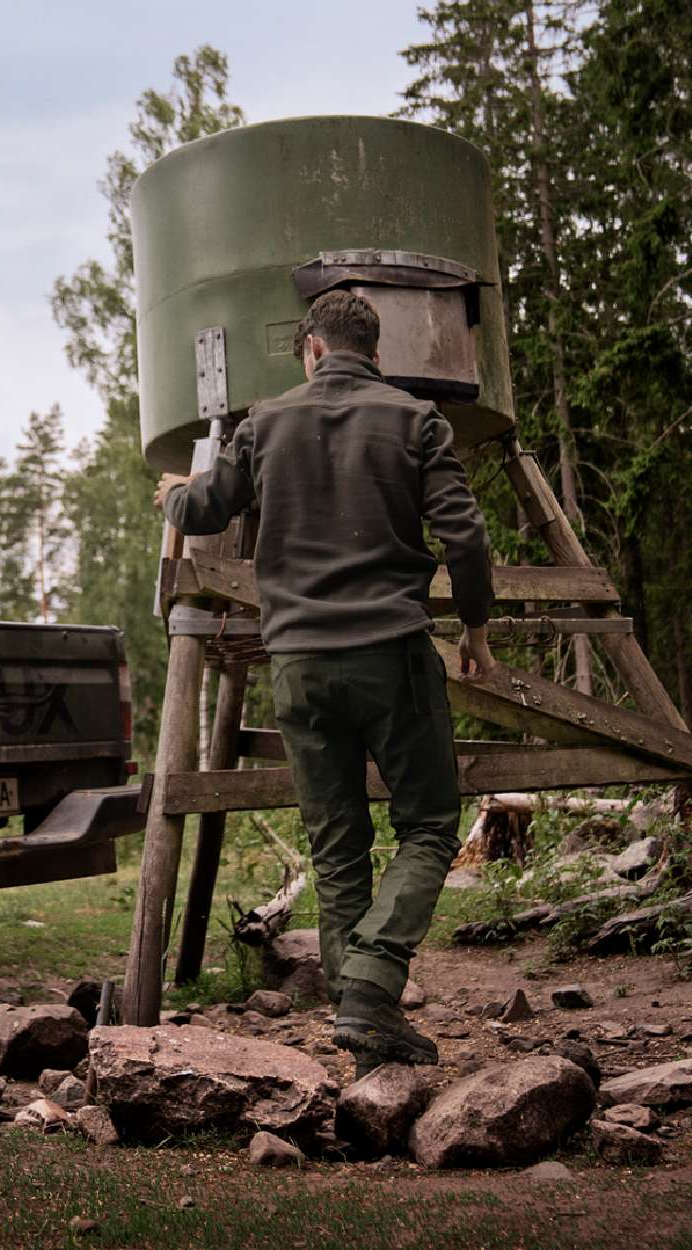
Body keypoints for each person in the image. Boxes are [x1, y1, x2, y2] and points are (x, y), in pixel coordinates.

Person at [154, 288, 496, 1067]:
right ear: (377, 354)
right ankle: (372, 991)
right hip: (390, 655)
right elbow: (464, 537)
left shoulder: (265, 423)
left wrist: (174, 494)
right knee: (430, 824)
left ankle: (358, 1014)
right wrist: (475, 629)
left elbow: (206, 508)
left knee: (338, 844)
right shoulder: (417, 420)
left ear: (310, 350)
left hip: (300, 667)